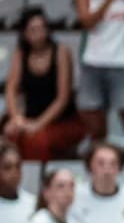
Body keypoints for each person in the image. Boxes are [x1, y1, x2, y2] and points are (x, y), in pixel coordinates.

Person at [5, 9, 82, 163]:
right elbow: (11, 89)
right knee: (9, 132)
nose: (38, 34)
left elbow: (62, 98)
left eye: (41, 28)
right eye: (33, 30)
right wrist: (16, 118)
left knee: (36, 139)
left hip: (61, 120)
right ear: (24, 33)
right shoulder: (20, 54)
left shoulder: (61, 52)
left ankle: (35, 178)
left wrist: (38, 124)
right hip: (30, 116)